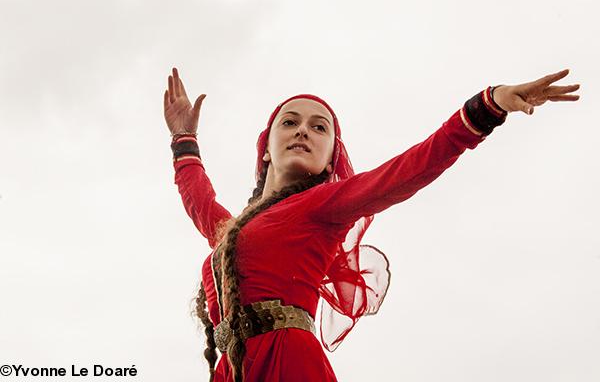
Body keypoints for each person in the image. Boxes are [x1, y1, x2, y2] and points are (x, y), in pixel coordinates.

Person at [163, 67, 580, 382]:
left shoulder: (323, 205)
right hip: (232, 370)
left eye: (318, 127)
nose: (303, 130)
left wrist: (488, 106)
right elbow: (198, 197)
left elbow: (409, 169)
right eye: (289, 122)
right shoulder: (229, 231)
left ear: (329, 161)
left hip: (289, 363)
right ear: (266, 148)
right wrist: (184, 138)